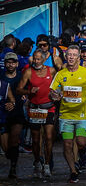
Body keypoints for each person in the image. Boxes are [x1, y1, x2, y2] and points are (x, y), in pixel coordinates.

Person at [49, 45, 86, 183]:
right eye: (69, 54)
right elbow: (52, 92)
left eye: (74, 55)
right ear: (65, 57)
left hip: (82, 115)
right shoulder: (60, 74)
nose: (71, 57)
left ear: (78, 58)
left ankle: (83, 152)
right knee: (67, 145)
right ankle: (73, 171)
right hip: (65, 116)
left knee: (81, 143)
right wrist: (55, 96)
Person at [17, 49, 57, 178]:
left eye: (39, 59)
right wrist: (29, 92)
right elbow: (19, 89)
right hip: (35, 109)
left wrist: (56, 94)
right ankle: (37, 160)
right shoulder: (29, 72)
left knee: (49, 137)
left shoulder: (51, 71)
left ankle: (47, 164)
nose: (36, 61)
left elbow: (58, 86)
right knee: (35, 139)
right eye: (34, 58)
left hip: (49, 108)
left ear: (44, 59)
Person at [1, 52, 24, 179]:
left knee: (14, 140)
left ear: (17, 64)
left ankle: (13, 168)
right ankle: (11, 158)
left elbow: (26, 92)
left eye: (13, 62)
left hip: (17, 114)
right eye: (8, 62)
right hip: (2, 115)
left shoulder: (21, 77)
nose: (10, 65)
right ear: (5, 64)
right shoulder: (1, 77)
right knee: (6, 149)